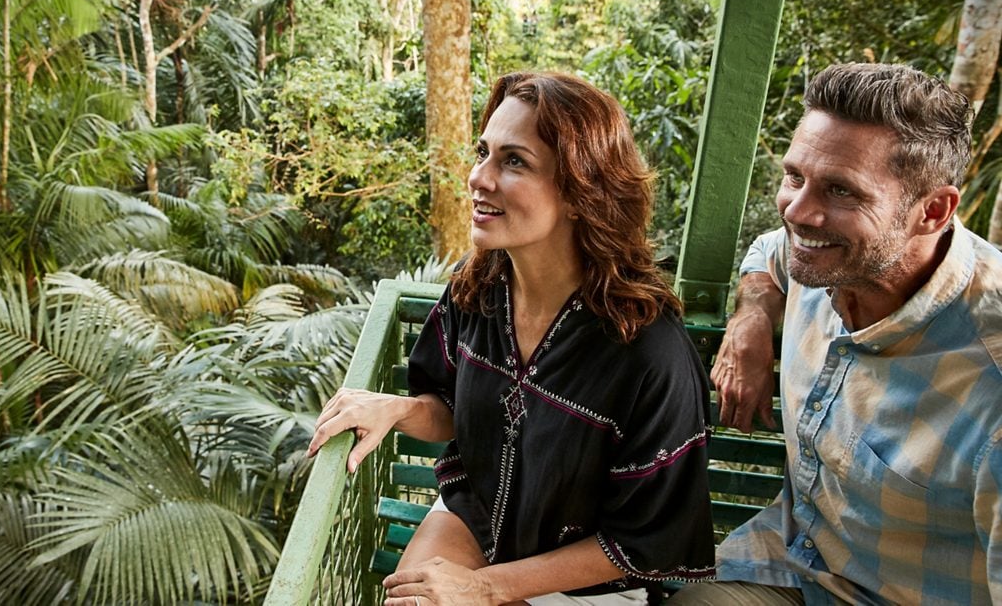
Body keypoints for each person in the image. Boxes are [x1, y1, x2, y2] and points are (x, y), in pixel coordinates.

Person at [308, 72, 716, 606]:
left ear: (580, 191)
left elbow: (648, 542)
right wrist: (399, 408)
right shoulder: (477, 288)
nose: (480, 177)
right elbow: (451, 406)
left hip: (584, 583)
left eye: (514, 161)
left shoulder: (646, 349)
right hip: (472, 520)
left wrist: (483, 588)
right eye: (483, 153)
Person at [672, 63, 1002, 604]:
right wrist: (753, 316)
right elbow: (767, 252)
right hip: (784, 568)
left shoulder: (990, 383)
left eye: (841, 192)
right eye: (794, 176)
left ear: (933, 210)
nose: (798, 212)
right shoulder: (829, 256)